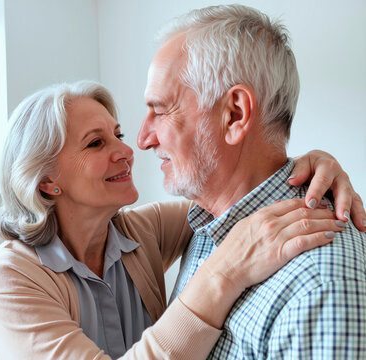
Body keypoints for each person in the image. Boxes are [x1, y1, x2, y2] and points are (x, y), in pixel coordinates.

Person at [0, 80, 363, 359]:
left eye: (118, 134)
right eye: (96, 143)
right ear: (46, 183)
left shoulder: (139, 232)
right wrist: (221, 274)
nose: (128, 149)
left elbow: (236, 198)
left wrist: (311, 168)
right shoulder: (7, 278)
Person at [136, 4, 366, 358]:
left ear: (235, 114)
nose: (143, 139)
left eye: (161, 110)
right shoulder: (203, 227)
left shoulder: (319, 284)